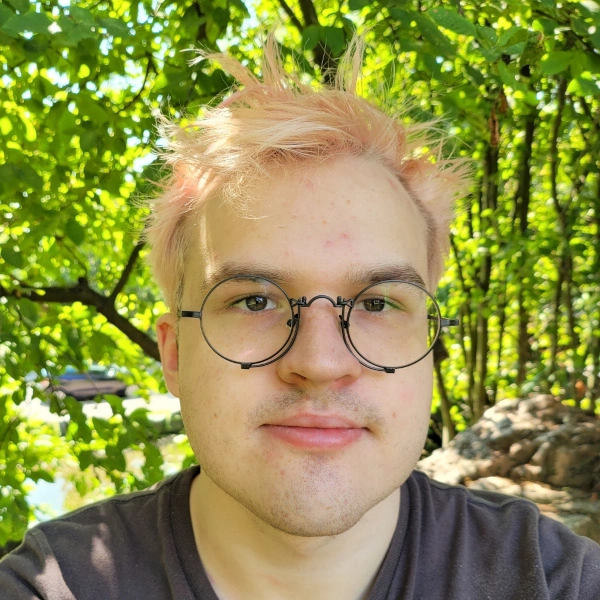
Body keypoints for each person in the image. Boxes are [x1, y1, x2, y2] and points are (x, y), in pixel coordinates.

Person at [1, 36, 599, 600]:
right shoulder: (58, 585)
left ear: (429, 342)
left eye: (376, 303)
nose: (319, 363)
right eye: (254, 300)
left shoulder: (559, 581)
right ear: (174, 354)